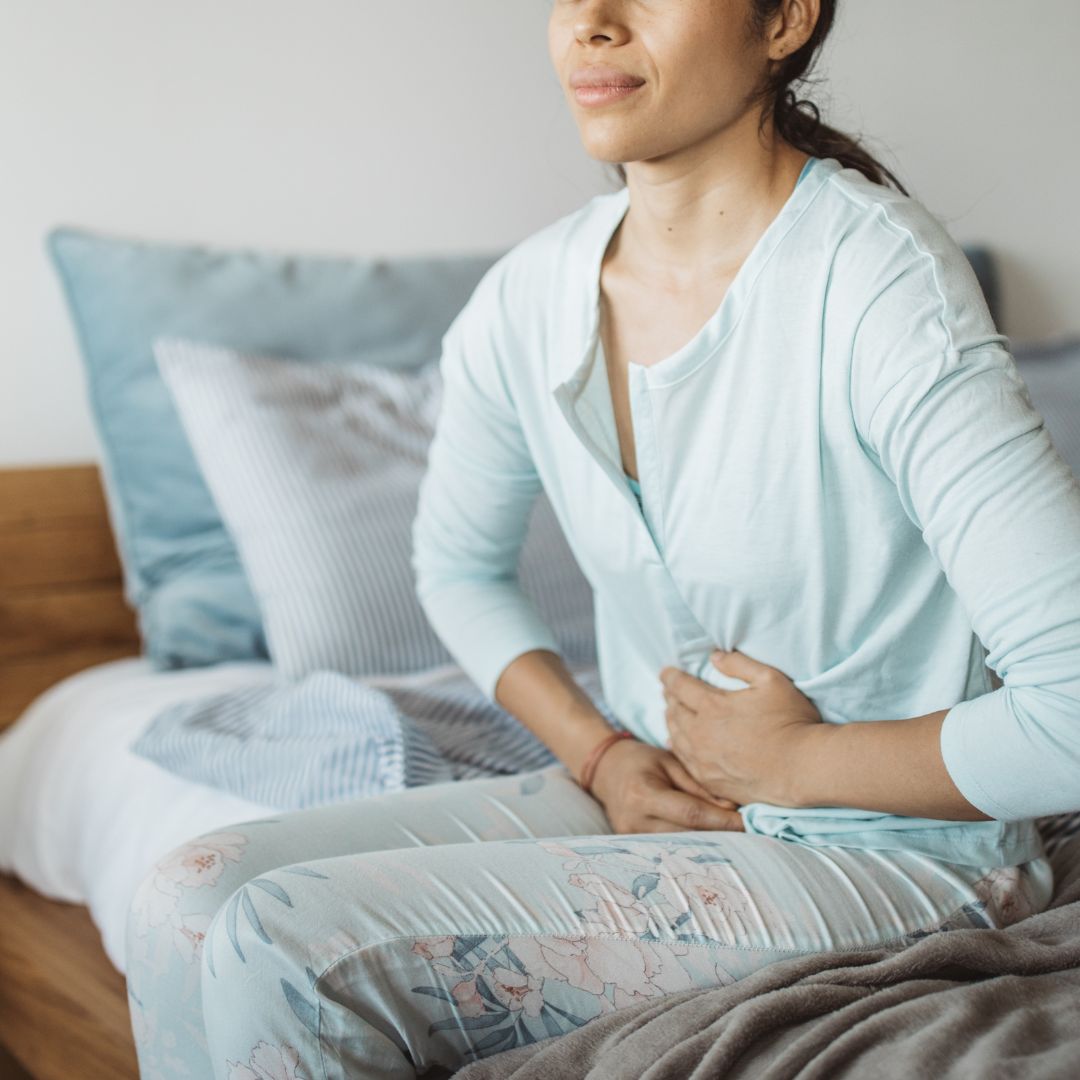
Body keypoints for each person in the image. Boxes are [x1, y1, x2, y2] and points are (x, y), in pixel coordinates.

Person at [125, 2, 1080, 1078]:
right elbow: (455, 565)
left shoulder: (877, 282)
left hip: (903, 852)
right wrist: (602, 751)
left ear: (786, 21)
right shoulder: (528, 297)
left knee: (286, 950)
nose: (591, 21)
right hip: (659, 802)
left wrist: (799, 761)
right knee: (189, 895)